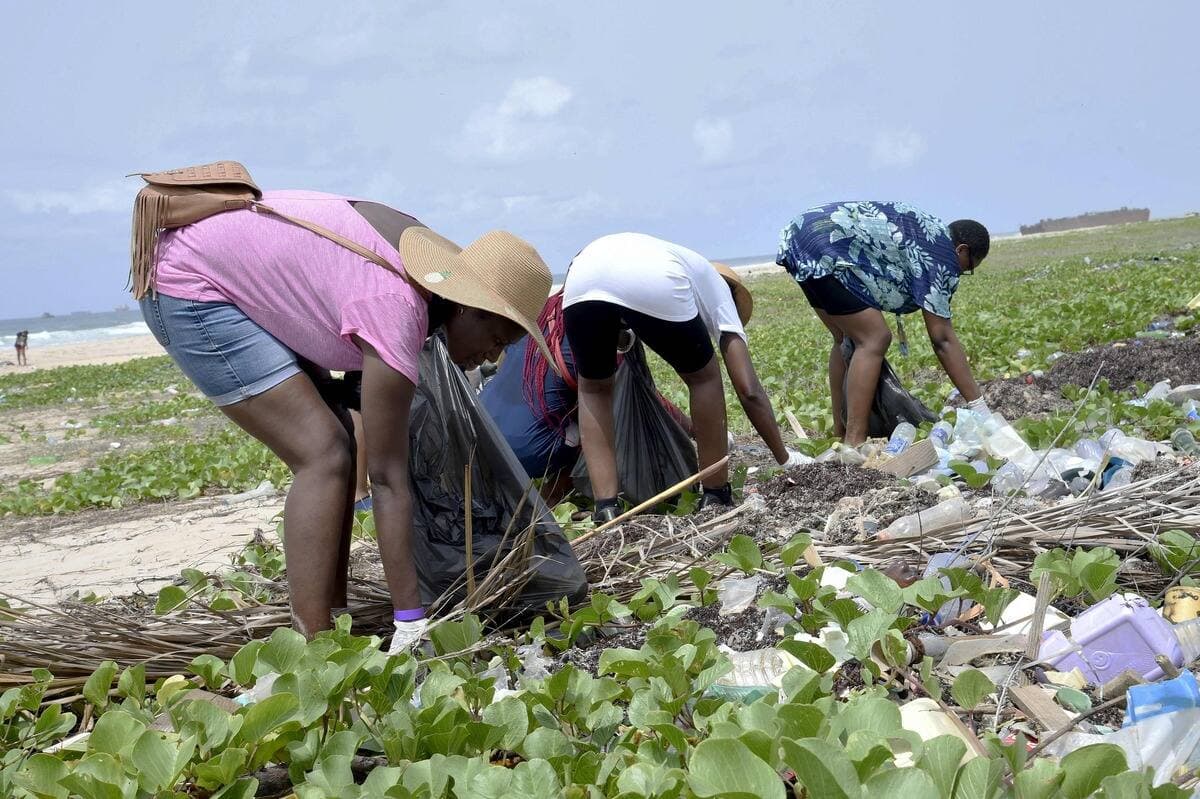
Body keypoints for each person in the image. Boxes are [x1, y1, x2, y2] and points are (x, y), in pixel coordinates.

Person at [136, 190, 554, 651]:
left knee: (340, 440)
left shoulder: (421, 276)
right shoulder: (397, 308)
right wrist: (411, 621)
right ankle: (314, 646)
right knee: (324, 454)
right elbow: (388, 479)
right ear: (466, 306)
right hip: (189, 284)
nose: (490, 357)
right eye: (495, 338)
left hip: (221, 270)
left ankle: (332, 619)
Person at [562, 233, 805, 521]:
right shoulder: (721, 294)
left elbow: (617, 303)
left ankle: (606, 507)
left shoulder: (687, 267)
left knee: (594, 389)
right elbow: (748, 388)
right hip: (652, 276)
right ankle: (716, 493)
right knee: (704, 379)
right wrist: (786, 458)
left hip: (581, 275)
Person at [776, 201, 991, 445]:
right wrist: (979, 407)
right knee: (874, 338)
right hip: (825, 245)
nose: (959, 274)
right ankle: (854, 441)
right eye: (967, 268)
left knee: (844, 339)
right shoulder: (942, 253)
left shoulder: (927, 230)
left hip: (800, 235)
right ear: (962, 250)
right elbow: (942, 339)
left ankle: (840, 431)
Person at [481, 291, 694, 506]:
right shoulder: (596, 325)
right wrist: (693, 429)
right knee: (599, 419)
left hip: (481, 431)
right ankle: (550, 496)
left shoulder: (539, 313)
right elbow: (643, 398)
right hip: (526, 451)